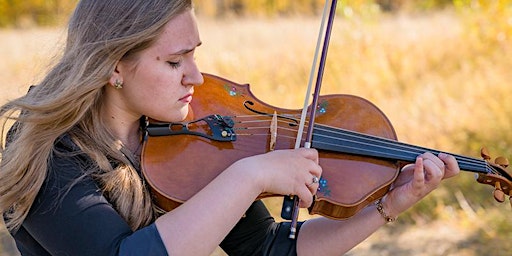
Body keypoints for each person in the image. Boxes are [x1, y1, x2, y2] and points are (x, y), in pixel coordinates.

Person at [0, 0, 460, 255]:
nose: (196, 78)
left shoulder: (187, 137)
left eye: (195, 54)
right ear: (114, 67)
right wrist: (250, 175)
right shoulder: (47, 150)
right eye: (175, 61)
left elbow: (267, 251)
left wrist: (384, 208)